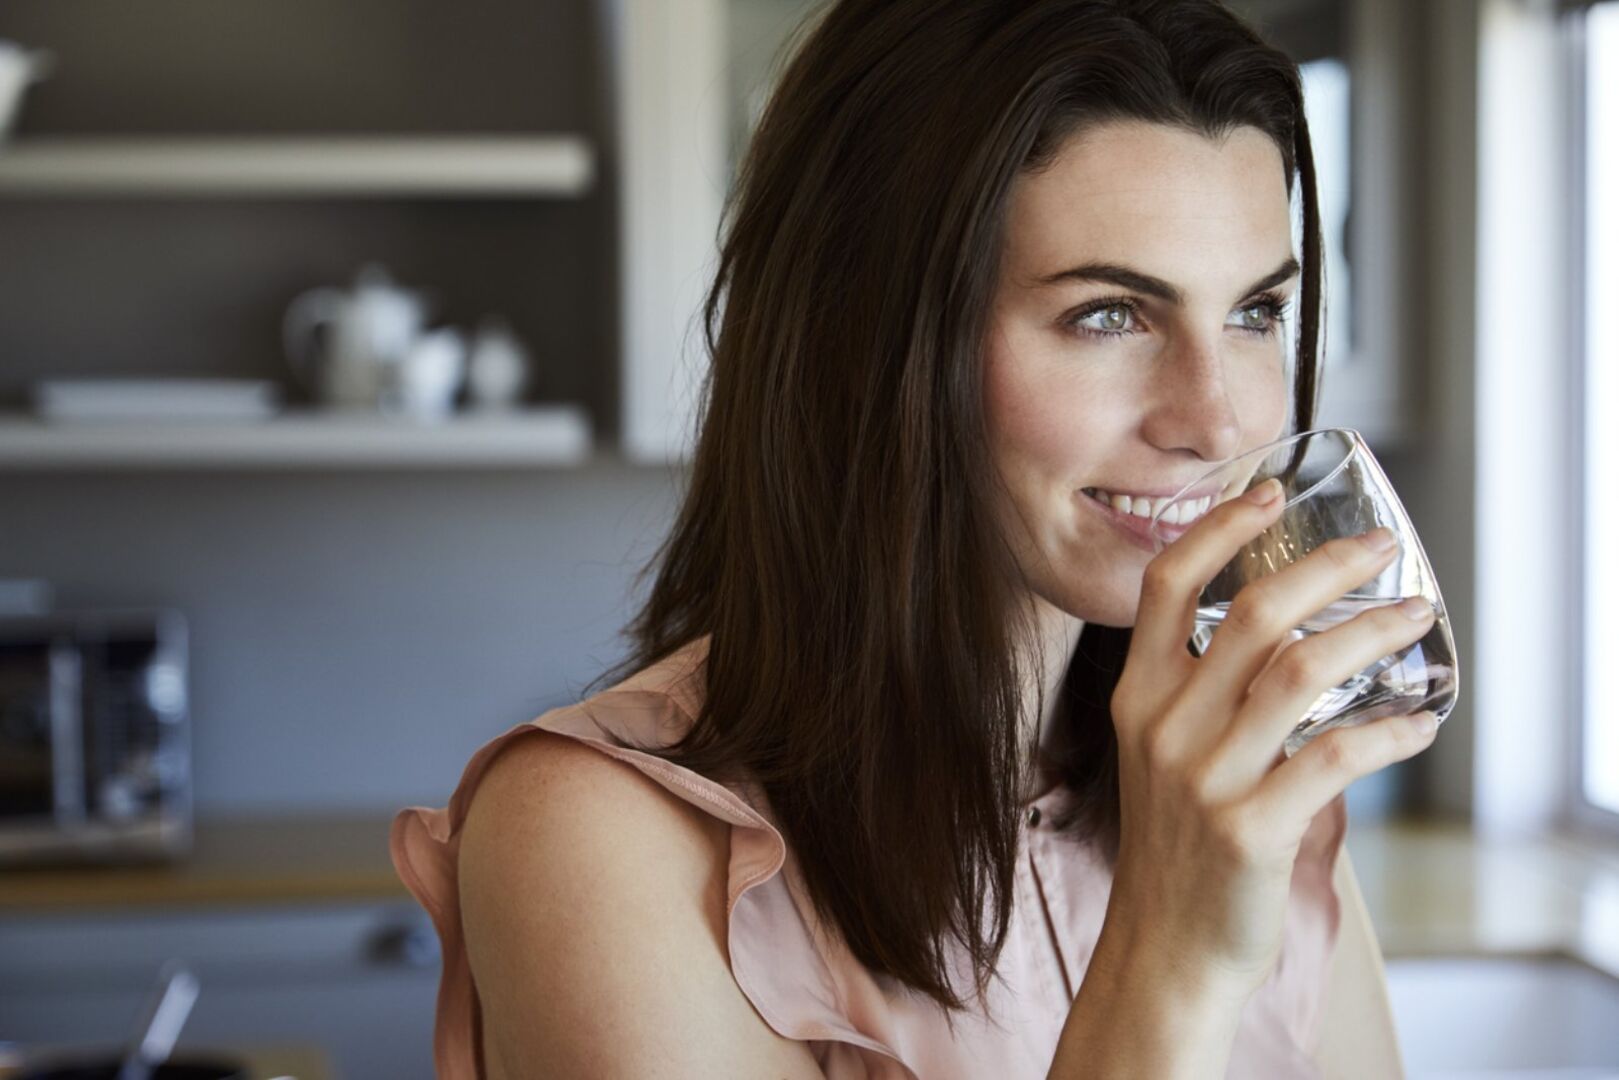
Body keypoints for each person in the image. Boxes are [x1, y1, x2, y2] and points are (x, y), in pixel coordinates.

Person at [390, 0, 1434, 1076]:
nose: (1216, 421)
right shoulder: (596, 839)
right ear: (871, 338)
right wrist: (1170, 959)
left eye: (1253, 313)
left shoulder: (1248, 786)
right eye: (1107, 315)